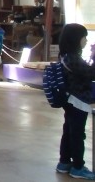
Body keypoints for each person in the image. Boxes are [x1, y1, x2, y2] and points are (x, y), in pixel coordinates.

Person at [55, 23, 95, 179]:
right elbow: (91, 73)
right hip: (78, 101)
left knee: (69, 131)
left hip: (70, 100)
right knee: (77, 134)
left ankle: (64, 162)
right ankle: (78, 166)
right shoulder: (72, 58)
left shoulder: (66, 56)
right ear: (76, 39)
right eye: (84, 37)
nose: (86, 40)